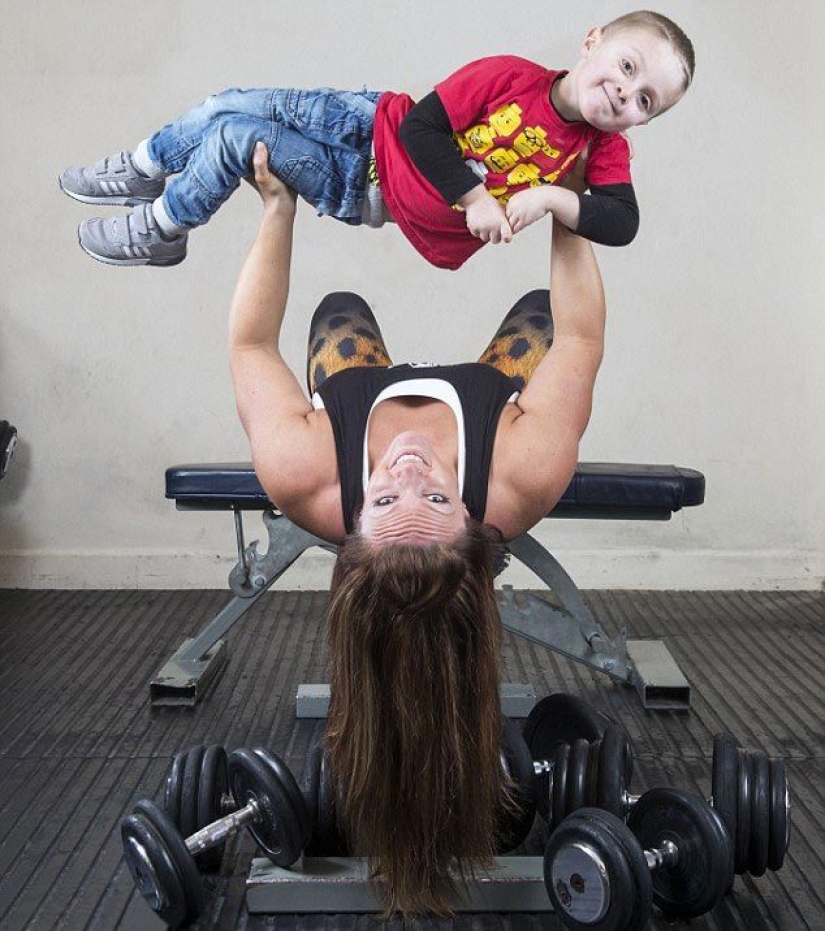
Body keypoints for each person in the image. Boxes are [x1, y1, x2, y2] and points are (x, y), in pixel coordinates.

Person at [227, 142, 607, 917]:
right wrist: (567, 203)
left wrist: (276, 209)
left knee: (339, 311)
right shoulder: (518, 468)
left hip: (354, 377)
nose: (405, 467)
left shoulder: (308, 470)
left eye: (386, 500)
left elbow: (250, 345)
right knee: (540, 309)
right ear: (473, 521)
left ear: (350, 527)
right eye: (432, 499)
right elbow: (579, 340)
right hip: (487, 390)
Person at [59, 10, 694, 268]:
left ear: (641, 123)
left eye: (645, 102)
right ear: (593, 42)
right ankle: (144, 164)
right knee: (228, 102)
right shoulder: (509, 76)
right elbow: (422, 127)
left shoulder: (596, 150)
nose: (623, 94)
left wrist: (555, 199)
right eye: (628, 67)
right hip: (369, 122)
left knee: (234, 137)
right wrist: (476, 199)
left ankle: (164, 229)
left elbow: (622, 222)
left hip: (365, 188)